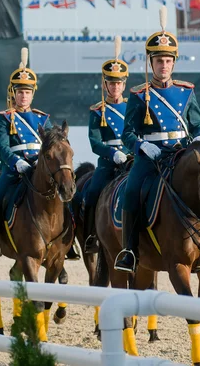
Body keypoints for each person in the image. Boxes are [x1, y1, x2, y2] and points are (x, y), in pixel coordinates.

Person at [114, 6, 200, 272]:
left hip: (183, 154)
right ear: (151, 64)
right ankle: (129, 250)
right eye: (159, 61)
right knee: (131, 191)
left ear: (174, 63)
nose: (164, 65)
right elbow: (127, 133)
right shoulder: (139, 95)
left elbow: (198, 123)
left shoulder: (186, 92)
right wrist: (142, 146)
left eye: (168, 60)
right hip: (151, 157)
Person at [0, 47, 62, 259]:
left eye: (27, 92)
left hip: (39, 167)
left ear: (32, 93)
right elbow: (0, 148)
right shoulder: (4, 118)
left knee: (63, 195)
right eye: (20, 92)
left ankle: (66, 241)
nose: (23, 96)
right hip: (14, 169)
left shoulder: (42, 119)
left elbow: (51, 146)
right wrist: (16, 162)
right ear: (14, 93)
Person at [82, 37, 131, 254]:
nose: (115, 87)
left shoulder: (134, 106)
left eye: (119, 83)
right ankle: (91, 236)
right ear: (105, 84)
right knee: (92, 193)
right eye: (111, 83)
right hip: (108, 163)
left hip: (131, 159)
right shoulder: (97, 110)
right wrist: (113, 153)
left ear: (124, 84)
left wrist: (129, 153)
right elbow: (94, 142)